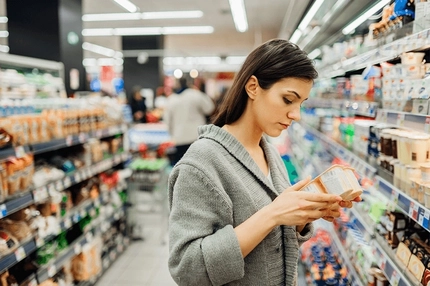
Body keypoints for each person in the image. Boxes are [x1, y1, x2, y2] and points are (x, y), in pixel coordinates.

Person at [168, 39, 361, 286]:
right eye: (288, 100)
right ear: (253, 87)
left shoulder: (270, 154)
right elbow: (187, 269)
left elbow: (270, 245)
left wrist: (303, 215)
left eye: (301, 103)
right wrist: (273, 213)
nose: (296, 114)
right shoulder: (201, 163)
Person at [164, 77, 215, 165]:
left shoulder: (171, 100)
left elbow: (167, 121)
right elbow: (210, 108)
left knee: (181, 167)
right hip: (196, 137)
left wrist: (172, 135)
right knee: (199, 166)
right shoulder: (196, 95)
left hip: (179, 138)